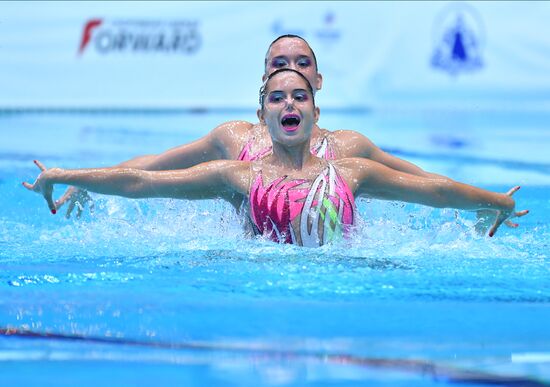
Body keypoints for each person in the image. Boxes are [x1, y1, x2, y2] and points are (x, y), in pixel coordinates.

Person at [24, 69, 527, 247]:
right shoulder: (236, 174)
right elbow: (145, 180)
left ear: (316, 109)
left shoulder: (351, 169)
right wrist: (69, 174)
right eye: (277, 97)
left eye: (300, 96)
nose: (289, 104)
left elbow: (432, 189)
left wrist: (493, 202)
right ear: (261, 114)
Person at [55, 34, 450, 218]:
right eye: (279, 64)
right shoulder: (236, 137)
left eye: (302, 62)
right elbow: (158, 165)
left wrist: (481, 203)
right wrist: (88, 180)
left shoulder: (348, 149)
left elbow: (423, 182)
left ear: (318, 83)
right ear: (265, 83)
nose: (291, 69)